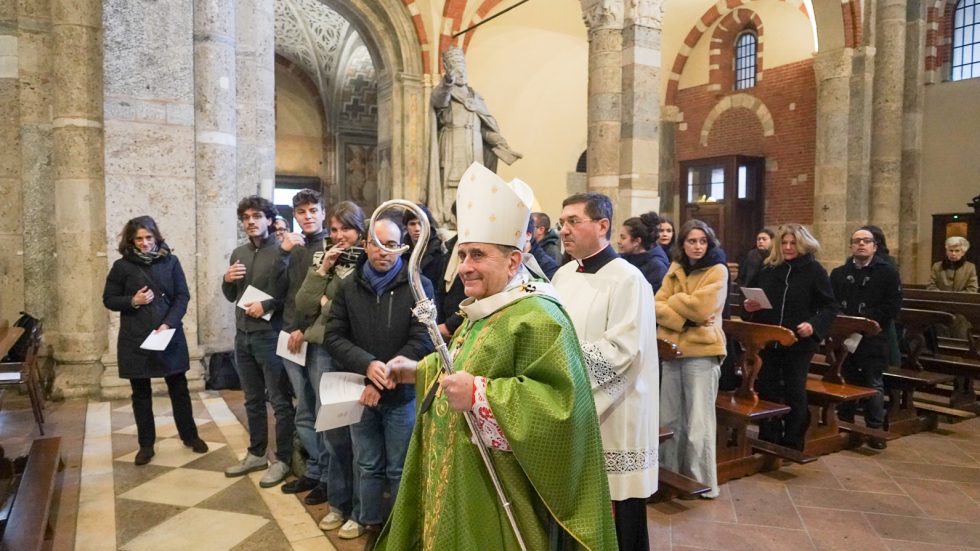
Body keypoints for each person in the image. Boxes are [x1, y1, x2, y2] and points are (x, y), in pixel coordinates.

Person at [375, 162, 616, 550]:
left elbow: (564, 409)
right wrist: (415, 371)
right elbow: (465, 362)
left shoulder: (538, 316)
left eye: (478, 256)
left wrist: (481, 395)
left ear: (513, 261)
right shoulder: (485, 305)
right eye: (463, 254)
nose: (465, 267)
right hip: (455, 470)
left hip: (497, 488)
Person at [552, 192, 659, 550]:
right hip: (573, 402)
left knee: (618, 514)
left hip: (614, 411)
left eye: (573, 221)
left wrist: (557, 363)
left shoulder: (629, 280)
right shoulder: (563, 275)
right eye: (561, 222)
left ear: (602, 225)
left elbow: (622, 350)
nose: (563, 230)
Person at [323, 218, 434, 539]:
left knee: (399, 466)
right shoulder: (347, 286)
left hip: (401, 392)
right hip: (360, 387)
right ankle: (365, 518)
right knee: (367, 461)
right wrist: (368, 365)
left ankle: (399, 527)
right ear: (366, 244)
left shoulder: (419, 285)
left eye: (392, 244)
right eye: (377, 243)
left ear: (403, 247)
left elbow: (422, 340)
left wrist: (380, 378)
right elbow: (334, 336)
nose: (384, 251)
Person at [102, 216, 208, 465]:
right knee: (141, 393)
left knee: (179, 388)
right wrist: (132, 301)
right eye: (139, 238)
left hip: (167, 334)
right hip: (135, 338)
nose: (144, 243)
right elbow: (108, 299)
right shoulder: (122, 267)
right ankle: (146, 445)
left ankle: (190, 436)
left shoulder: (171, 262)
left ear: (156, 237)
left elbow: (182, 296)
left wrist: (168, 323)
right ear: (131, 240)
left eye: (148, 237)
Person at [288, 201, 366, 522]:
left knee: (358, 434)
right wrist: (321, 271)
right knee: (330, 427)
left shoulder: (367, 259)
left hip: (356, 350)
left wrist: (328, 301)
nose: (338, 235)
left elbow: (354, 307)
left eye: (345, 228)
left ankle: (360, 510)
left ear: (360, 230)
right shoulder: (324, 258)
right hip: (323, 350)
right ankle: (337, 504)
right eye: (333, 230)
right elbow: (303, 304)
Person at [279, 189, 351, 513]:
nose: (307, 216)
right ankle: (314, 470)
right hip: (290, 336)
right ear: (295, 215)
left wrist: (302, 329)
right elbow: (290, 293)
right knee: (303, 409)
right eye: (301, 211)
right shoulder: (293, 250)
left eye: (313, 210)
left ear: (323, 213)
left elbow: (327, 299)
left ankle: (328, 477)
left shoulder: (333, 248)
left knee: (325, 411)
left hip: (315, 338)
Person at [743, 223, 838, 451]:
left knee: (795, 391)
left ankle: (793, 441)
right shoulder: (768, 269)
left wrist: (813, 325)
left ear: (803, 244)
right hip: (768, 340)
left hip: (799, 342)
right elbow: (750, 300)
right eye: (783, 243)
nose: (787, 247)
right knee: (768, 389)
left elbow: (830, 306)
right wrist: (748, 306)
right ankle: (769, 436)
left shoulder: (815, 271)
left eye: (792, 243)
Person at [220, 196, 295, 486]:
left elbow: (290, 293)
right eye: (246, 217)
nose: (250, 221)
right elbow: (232, 296)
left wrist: (268, 305)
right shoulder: (238, 252)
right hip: (244, 335)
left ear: (268, 219)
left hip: (270, 334)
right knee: (251, 398)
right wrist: (227, 279)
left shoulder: (282, 250)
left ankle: (284, 459)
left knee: (278, 399)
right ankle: (256, 453)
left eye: (256, 216)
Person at [655, 219, 727, 499]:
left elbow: (703, 308)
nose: (697, 246)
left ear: (709, 243)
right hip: (672, 349)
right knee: (669, 418)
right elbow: (655, 303)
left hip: (703, 351)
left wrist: (675, 305)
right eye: (691, 241)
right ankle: (670, 475)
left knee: (699, 421)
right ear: (682, 244)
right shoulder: (675, 268)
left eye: (702, 241)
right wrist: (683, 320)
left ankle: (702, 482)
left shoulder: (717, 269)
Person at [426, 46, 522, 223]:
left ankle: (475, 222)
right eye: (455, 66)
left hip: (475, 150)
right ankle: (451, 220)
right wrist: (447, 82)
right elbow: (438, 100)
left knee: (476, 186)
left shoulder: (476, 97)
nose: (460, 70)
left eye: (462, 65)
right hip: (452, 146)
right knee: (453, 185)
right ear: (448, 69)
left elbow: (485, 128)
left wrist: (502, 145)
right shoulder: (446, 92)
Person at [830, 227, 901, 450]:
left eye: (866, 241)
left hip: (873, 335)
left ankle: (875, 430)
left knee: (873, 382)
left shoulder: (887, 272)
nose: (861, 244)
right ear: (851, 245)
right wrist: (844, 321)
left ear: (874, 246)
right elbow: (831, 302)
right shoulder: (839, 273)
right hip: (845, 335)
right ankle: (846, 423)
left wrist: (864, 322)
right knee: (847, 378)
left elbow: (892, 305)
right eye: (857, 240)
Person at [928, 236, 978, 338]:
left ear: (963, 252)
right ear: (946, 251)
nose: (953, 253)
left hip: (961, 309)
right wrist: (943, 298)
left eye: (957, 251)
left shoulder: (970, 267)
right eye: (950, 250)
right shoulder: (937, 266)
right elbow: (931, 286)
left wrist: (956, 299)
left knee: (960, 333)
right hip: (941, 308)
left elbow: (972, 289)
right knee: (939, 334)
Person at [617, 211, 669, 293]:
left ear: (637, 241)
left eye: (623, 238)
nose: (618, 241)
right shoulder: (621, 259)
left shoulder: (657, 267)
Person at [401, 203, 446, 286]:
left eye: (420, 223)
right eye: (412, 224)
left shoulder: (441, 250)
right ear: (406, 226)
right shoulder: (401, 251)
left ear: (427, 225)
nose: (417, 229)